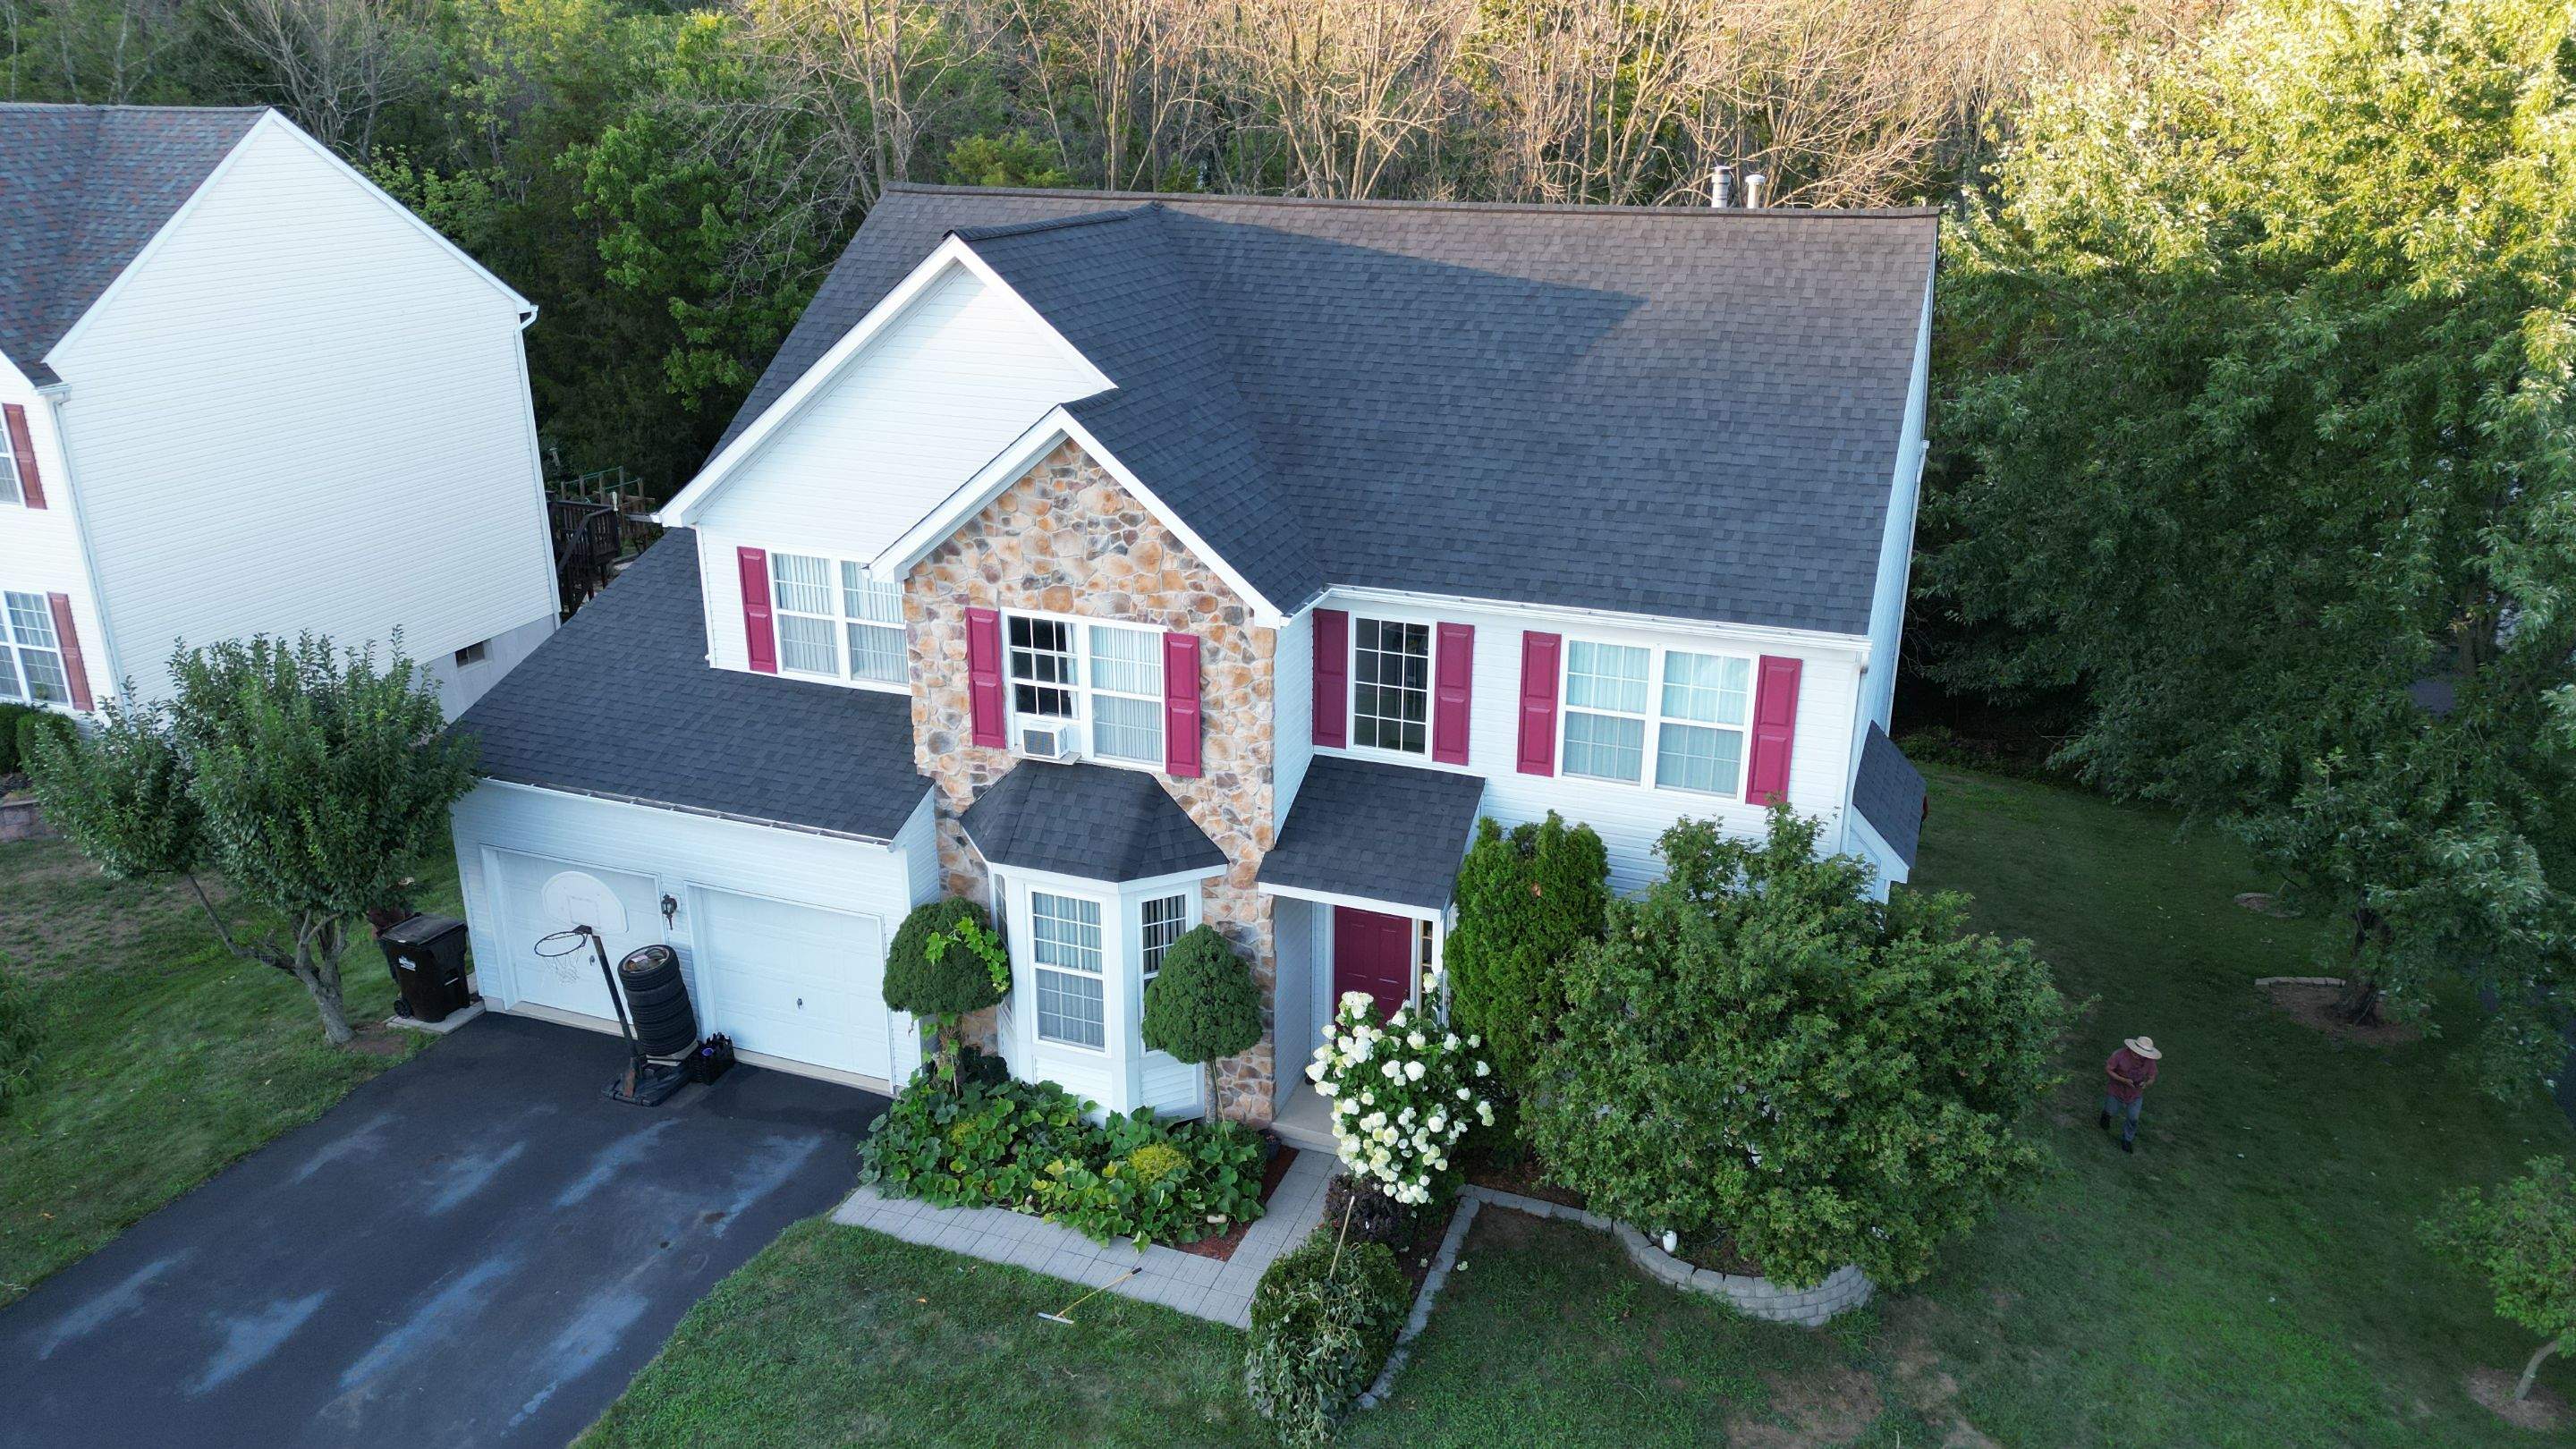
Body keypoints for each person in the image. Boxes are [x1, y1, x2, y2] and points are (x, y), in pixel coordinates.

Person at [2100, 1035, 2162, 1153]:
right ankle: (2106, 1115)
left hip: (2135, 1093)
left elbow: (2152, 1077)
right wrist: (2123, 1080)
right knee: (2110, 1109)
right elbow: (2108, 1069)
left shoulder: (2149, 1061)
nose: (2143, 1057)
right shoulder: (2120, 1055)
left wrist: (2146, 1084)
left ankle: (2127, 1140)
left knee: (2133, 1118)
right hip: (2116, 1089)